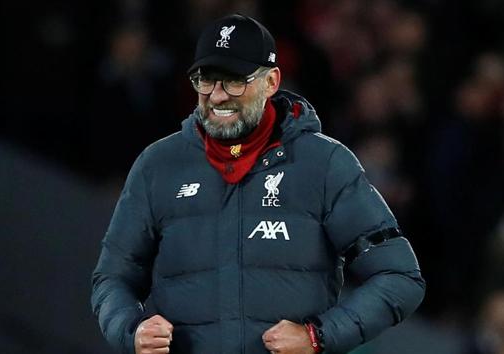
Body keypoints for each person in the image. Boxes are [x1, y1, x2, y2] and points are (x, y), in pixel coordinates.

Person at [91, 13, 425, 354]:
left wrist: (318, 336)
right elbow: (112, 279)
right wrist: (131, 330)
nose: (218, 96)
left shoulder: (323, 165)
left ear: (271, 82)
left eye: (235, 80)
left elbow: (399, 277)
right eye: (206, 79)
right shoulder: (158, 166)